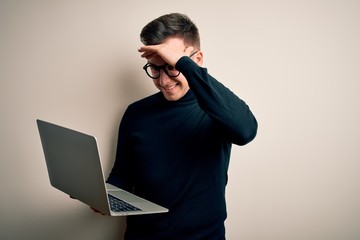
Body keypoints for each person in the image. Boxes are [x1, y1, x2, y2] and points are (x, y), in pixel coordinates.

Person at [106, 13, 258, 240]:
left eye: (171, 66)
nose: (163, 81)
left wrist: (183, 63)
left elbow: (246, 130)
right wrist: (103, 197)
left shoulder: (217, 109)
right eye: (155, 69)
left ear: (196, 60)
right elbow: (121, 176)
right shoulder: (136, 113)